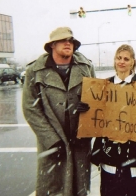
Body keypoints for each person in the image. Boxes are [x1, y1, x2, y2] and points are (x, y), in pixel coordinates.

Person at [22, 27, 96, 196]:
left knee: (79, 188)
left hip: (79, 141)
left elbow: (96, 99)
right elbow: (30, 109)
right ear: (52, 45)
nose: (68, 43)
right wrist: (52, 140)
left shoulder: (85, 67)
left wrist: (86, 113)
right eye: (63, 40)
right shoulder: (35, 70)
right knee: (52, 188)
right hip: (52, 143)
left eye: (70, 41)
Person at [90, 44, 136, 196]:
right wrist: (86, 108)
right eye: (119, 58)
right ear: (114, 61)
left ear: (133, 62)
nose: (122, 62)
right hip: (110, 152)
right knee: (111, 190)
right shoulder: (105, 85)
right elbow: (96, 115)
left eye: (126, 59)